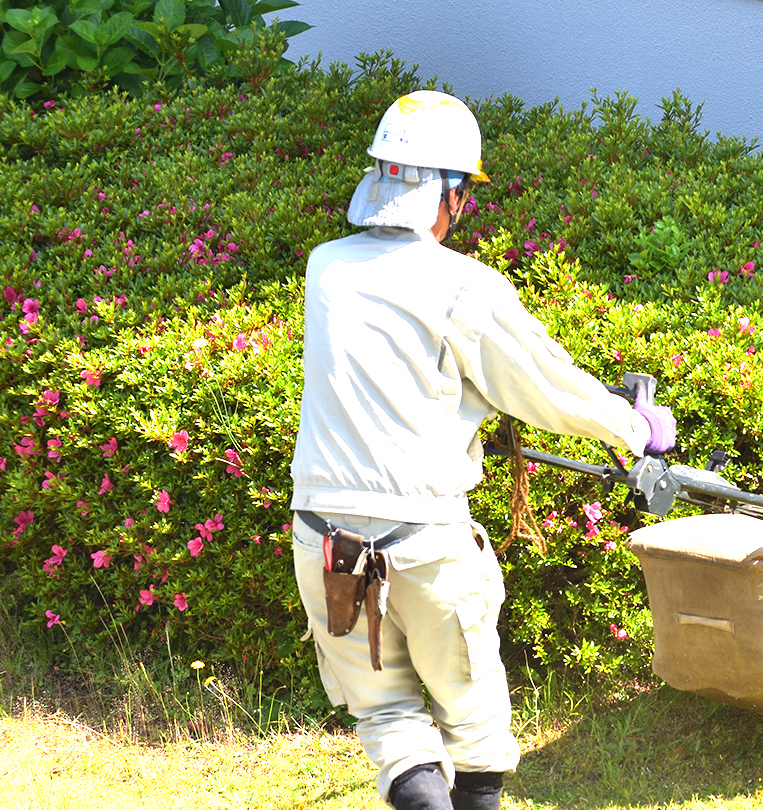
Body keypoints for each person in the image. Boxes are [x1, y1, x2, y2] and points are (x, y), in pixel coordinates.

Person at [288, 90, 676, 810]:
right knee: (474, 727)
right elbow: (543, 384)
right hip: (423, 542)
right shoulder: (461, 285)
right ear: (448, 192)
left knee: (388, 718)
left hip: (323, 540)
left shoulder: (325, 269)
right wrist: (633, 425)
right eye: (462, 191)